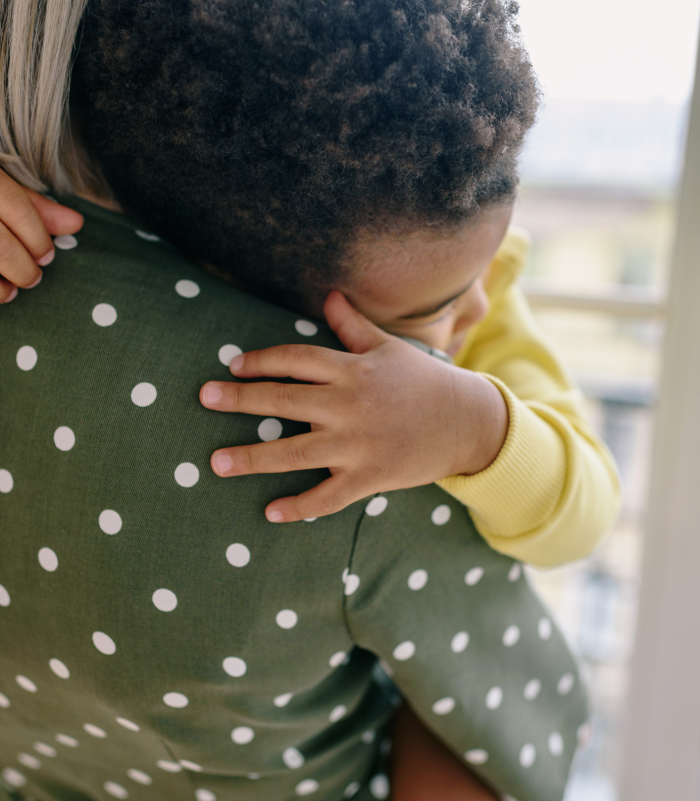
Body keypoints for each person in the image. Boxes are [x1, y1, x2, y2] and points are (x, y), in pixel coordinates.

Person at [0, 0, 594, 799]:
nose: (480, 311)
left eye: (481, 273)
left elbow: (585, 513)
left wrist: (471, 425)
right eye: (432, 314)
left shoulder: (473, 280)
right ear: (263, 303)